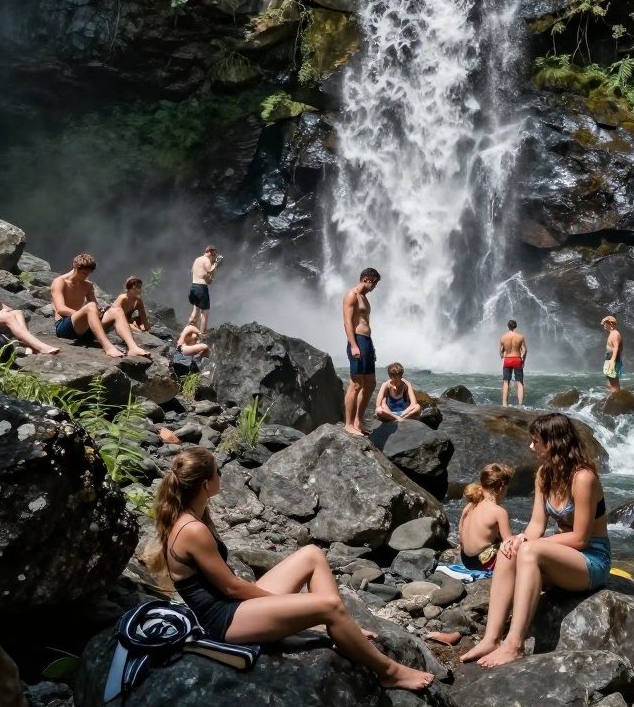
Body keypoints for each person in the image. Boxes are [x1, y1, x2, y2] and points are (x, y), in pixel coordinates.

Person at [148, 448, 434, 691]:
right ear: (206, 484)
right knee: (329, 605)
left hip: (231, 607)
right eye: (217, 473)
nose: (220, 477)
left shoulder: (192, 515)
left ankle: (339, 627)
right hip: (223, 622)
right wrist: (283, 602)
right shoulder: (192, 529)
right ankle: (388, 672)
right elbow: (231, 587)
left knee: (312, 554)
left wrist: (287, 604)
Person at [460, 413, 611, 668]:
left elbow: (581, 538)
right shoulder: (544, 474)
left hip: (591, 558)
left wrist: (531, 545)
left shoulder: (583, 478)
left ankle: (514, 645)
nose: (531, 446)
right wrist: (519, 539)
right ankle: (491, 638)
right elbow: (537, 524)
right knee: (508, 549)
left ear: (554, 442)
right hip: (562, 555)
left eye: (536, 441)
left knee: (529, 551)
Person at [51, 253, 149, 359]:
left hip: (85, 329)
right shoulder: (60, 282)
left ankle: (133, 348)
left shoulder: (87, 285)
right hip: (64, 327)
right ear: (75, 266)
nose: (85, 274)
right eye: (82, 270)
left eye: (88, 271)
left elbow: (95, 306)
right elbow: (61, 309)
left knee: (117, 310)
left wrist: (98, 312)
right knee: (90, 307)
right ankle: (108, 347)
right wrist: (87, 314)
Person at [343, 267, 380, 436]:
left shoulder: (365, 297)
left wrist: (369, 345)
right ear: (366, 279)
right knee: (356, 384)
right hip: (357, 340)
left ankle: (359, 420)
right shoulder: (352, 295)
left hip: (366, 341)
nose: (375, 287)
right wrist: (353, 345)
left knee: (370, 382)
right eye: (374, 283)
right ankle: (348, 424)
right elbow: (347, 322)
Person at [458, 463, 514, 572]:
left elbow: (461, 534)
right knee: (516, 545)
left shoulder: (469, 506)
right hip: (482, 563)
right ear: (501, 487)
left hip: (465, 560)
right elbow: (508, 545)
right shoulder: (499, 512)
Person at [188, 246, 223, 332]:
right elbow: (210, 270)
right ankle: (202, 333)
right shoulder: (206, 260)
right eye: (213, 255)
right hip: (201, 288)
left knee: (195, 310)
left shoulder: (197, 260)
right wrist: (216, 264)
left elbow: (194, 272)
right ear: (210, 252)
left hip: (193, 287)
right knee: (205, 312)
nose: (213, 258)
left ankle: (188, 330)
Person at [500, 319, 527, 407]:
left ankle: (505, 404)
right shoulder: (520, 337)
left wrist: (502, 358)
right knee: (519, 383)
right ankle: (520, 404)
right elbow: (525, 350)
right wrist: (523, 360)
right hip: (517, 359)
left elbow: (501, 351)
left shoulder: (503, 337)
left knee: (506, 382)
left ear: (508, 326)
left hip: (507, 359)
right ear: (515, 326)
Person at [601, 315, 623, 392]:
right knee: (610, 379)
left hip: (613, 360)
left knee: (613, 381)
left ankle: (616, 395)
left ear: (610, 323)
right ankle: (612, 395)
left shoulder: (615, 334)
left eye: (605, 323)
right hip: (610, 358)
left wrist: (612, 361)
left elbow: (616, 348)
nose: (604, 325)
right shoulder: (612, 333)